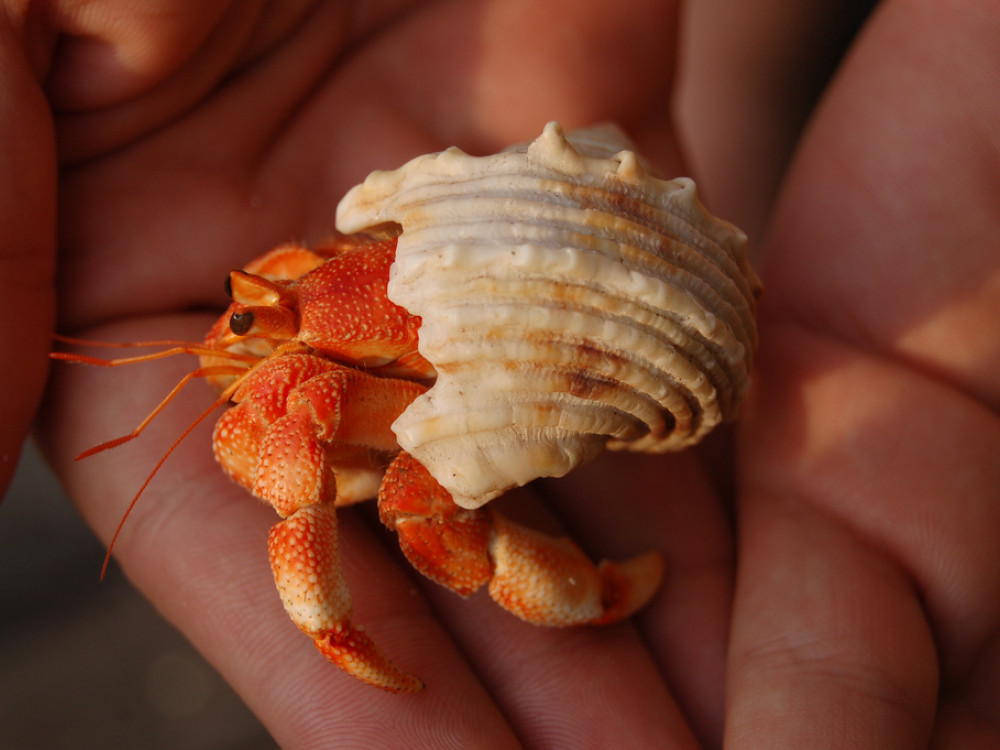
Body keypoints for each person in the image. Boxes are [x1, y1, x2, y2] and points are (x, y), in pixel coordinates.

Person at [3, 1, 998, 747]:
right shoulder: (312, 293)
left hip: (598, 311)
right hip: (555, 267)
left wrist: (333, 619)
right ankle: (737, 97)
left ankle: (591, 589)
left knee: (419, 499)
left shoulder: (322, 348)